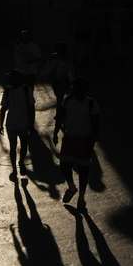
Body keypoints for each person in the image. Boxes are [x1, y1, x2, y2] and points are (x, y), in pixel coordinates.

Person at [54, 78, 101, 209]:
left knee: (83, 170)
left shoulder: (91, 103)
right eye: (74, 88)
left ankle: (81, 197)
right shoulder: (68, 101)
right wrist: (56, 132)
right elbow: (60, 116)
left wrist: (93, 141)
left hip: (85, 140)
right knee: (64, 166)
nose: (75, 91)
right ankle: (72, 187)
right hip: (69, 138)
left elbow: (96, 124)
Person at [0, 71, 35, 182]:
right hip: (18, 124)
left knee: (17, 147)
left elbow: (3, 109)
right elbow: (31, 108)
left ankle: (16, 167)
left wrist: (1, 125)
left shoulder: (20, 90)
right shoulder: (19, 90)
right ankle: (18, 165)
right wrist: (31, 124)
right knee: (19, 146)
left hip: (14, 123)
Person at [43, 43, 73, 110]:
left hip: (61, 84)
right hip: (52, 84)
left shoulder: (65, 61)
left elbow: (69, 73)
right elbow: (46, 71)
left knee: (60, 102)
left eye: (60, 49)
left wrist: (70, 84)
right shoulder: (52, 60)